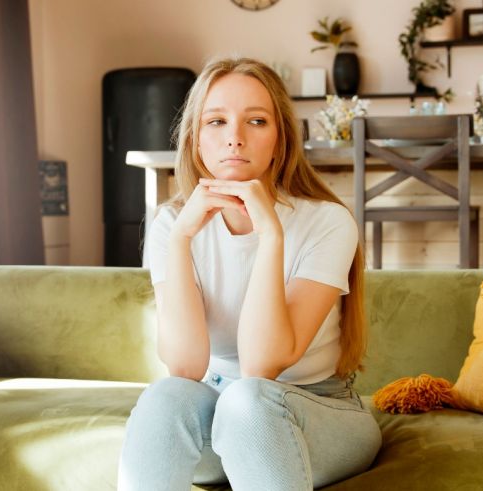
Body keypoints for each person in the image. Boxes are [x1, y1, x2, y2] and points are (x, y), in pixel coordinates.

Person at [117, 57, 381, 491]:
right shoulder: (171, 225)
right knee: (166, 396)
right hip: (215, 414)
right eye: (216, 121)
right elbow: (184, 366)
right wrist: (182, 239)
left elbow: (261, 366)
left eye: (256, 121)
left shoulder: (329, 222)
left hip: (315, 411)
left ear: (280, 140)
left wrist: (270, 236)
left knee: (249, 400)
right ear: (196, 141)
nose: (234, 139)